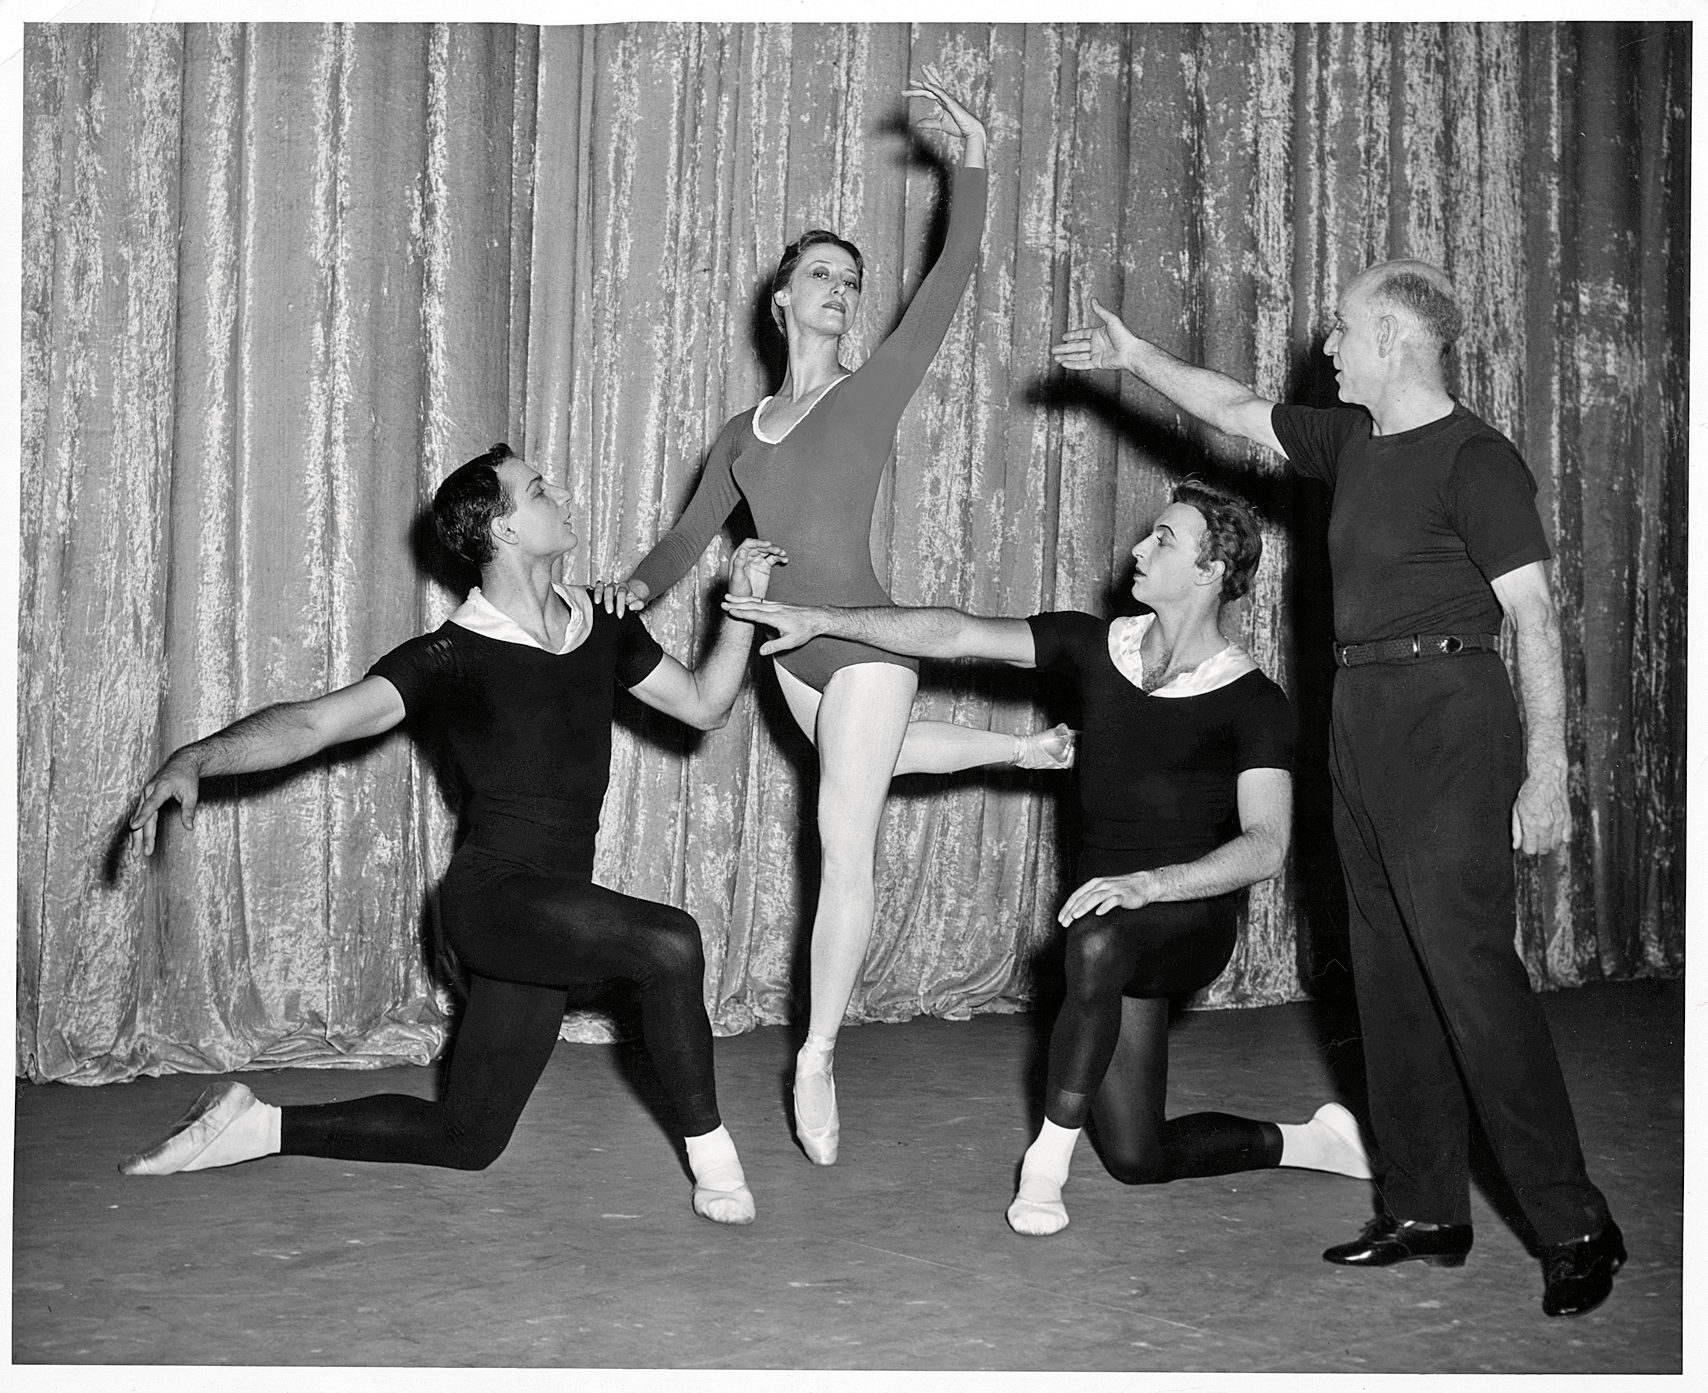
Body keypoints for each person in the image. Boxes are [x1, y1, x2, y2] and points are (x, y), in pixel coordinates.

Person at [1050, 263, 1623, 1316]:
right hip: (1359, 712)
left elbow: (1535, 617)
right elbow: (1230, 408)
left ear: (1395, 338)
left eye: (1345, 330)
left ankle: (1575, 1222)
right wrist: (1134, 359)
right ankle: (1425, 1208)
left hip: (1449, 710)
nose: (1328, 348)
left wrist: (1546, 769)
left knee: (1468, 974)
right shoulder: (1350, 439)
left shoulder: (1477, 459)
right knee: (1386, 974)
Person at [122, 443, 784, 1226]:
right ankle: (715, 1160)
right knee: (671, 942)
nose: (563, 495)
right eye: (539, 490)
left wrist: (741, 607)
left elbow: (706, 704)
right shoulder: (450, 656)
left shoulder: (605, 624)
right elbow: (314, 724)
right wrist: (198, 757)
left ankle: (254, 1124)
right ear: (502, 529)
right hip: (493, 901)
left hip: (554, 915)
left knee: (468, 1136)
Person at [597, 68, 1069, 1167]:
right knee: (880, 760)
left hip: (864, 640)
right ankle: (1026, 749)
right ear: (781, 298)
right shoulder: (741, 432)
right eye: (822, 274)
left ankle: (813, 1054)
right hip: (788, 656)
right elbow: (683, 541)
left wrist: (974, 159)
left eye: (852, 281)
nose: (841, 291)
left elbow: (951, 274)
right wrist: (632, 590)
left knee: (841, 835)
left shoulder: (869, 389)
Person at [724, 480, 1372, 1235]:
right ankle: (1314, 1142)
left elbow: (1266, 845)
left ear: (1211, 570)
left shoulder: (1254, 701)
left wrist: (1150, 884)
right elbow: (955, 633)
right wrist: (822, 619)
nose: (1139, 548)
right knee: (1137, 1154)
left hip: (1187, 920)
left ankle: (1044, 1170)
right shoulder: (1093, 646)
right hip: (1107, 923)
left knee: (1096, 939)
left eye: (1163, 538)